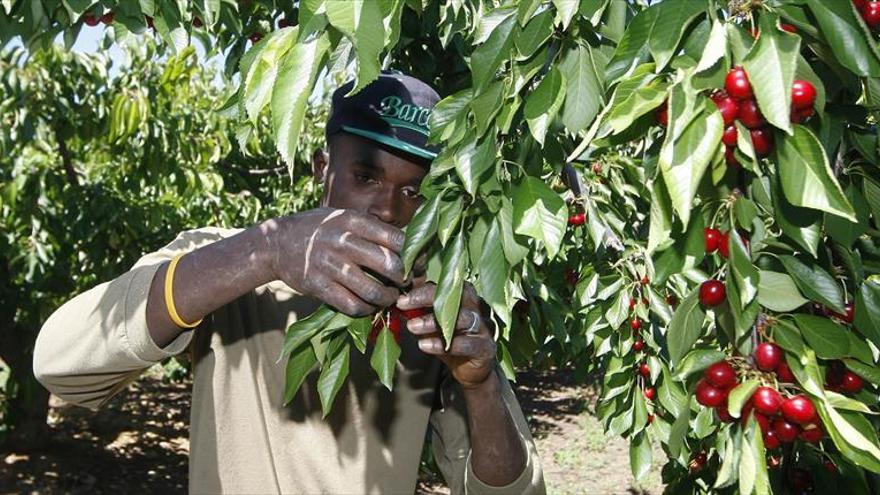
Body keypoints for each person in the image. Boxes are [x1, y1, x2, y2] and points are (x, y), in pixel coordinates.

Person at [33, 71, 545, 494]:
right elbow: (60, 366)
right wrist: (264, 251)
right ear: (323, 169)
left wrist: (477, 385)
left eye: (413, 191)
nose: (388, 210)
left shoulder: (433, 309)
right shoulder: (230, 262)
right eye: (364, 177)